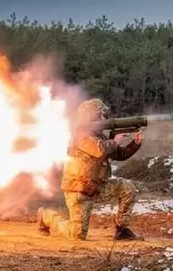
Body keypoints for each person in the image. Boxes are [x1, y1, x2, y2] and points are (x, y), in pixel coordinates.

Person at [37, 98, 144, 241]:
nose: (105, 118)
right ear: (91, 117)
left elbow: (119, 154)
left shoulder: (99, 137)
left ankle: (122, 230)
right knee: (77, 235)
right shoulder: (80, 135)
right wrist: (115, 141)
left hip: (97, 186)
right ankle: (46, 216)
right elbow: (99, 150)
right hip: (79, 190)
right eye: (101, 115)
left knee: (127, 188)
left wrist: (135, 143)